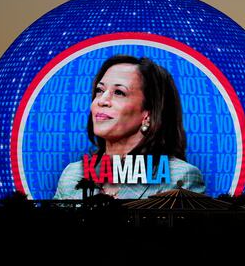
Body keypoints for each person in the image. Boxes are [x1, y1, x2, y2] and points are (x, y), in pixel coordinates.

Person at [53, 55, 207, 199]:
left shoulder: (181, 177)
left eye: (119, 92)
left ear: (149, 113)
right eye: (100, 91)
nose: (102, 100)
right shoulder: (72, 175)